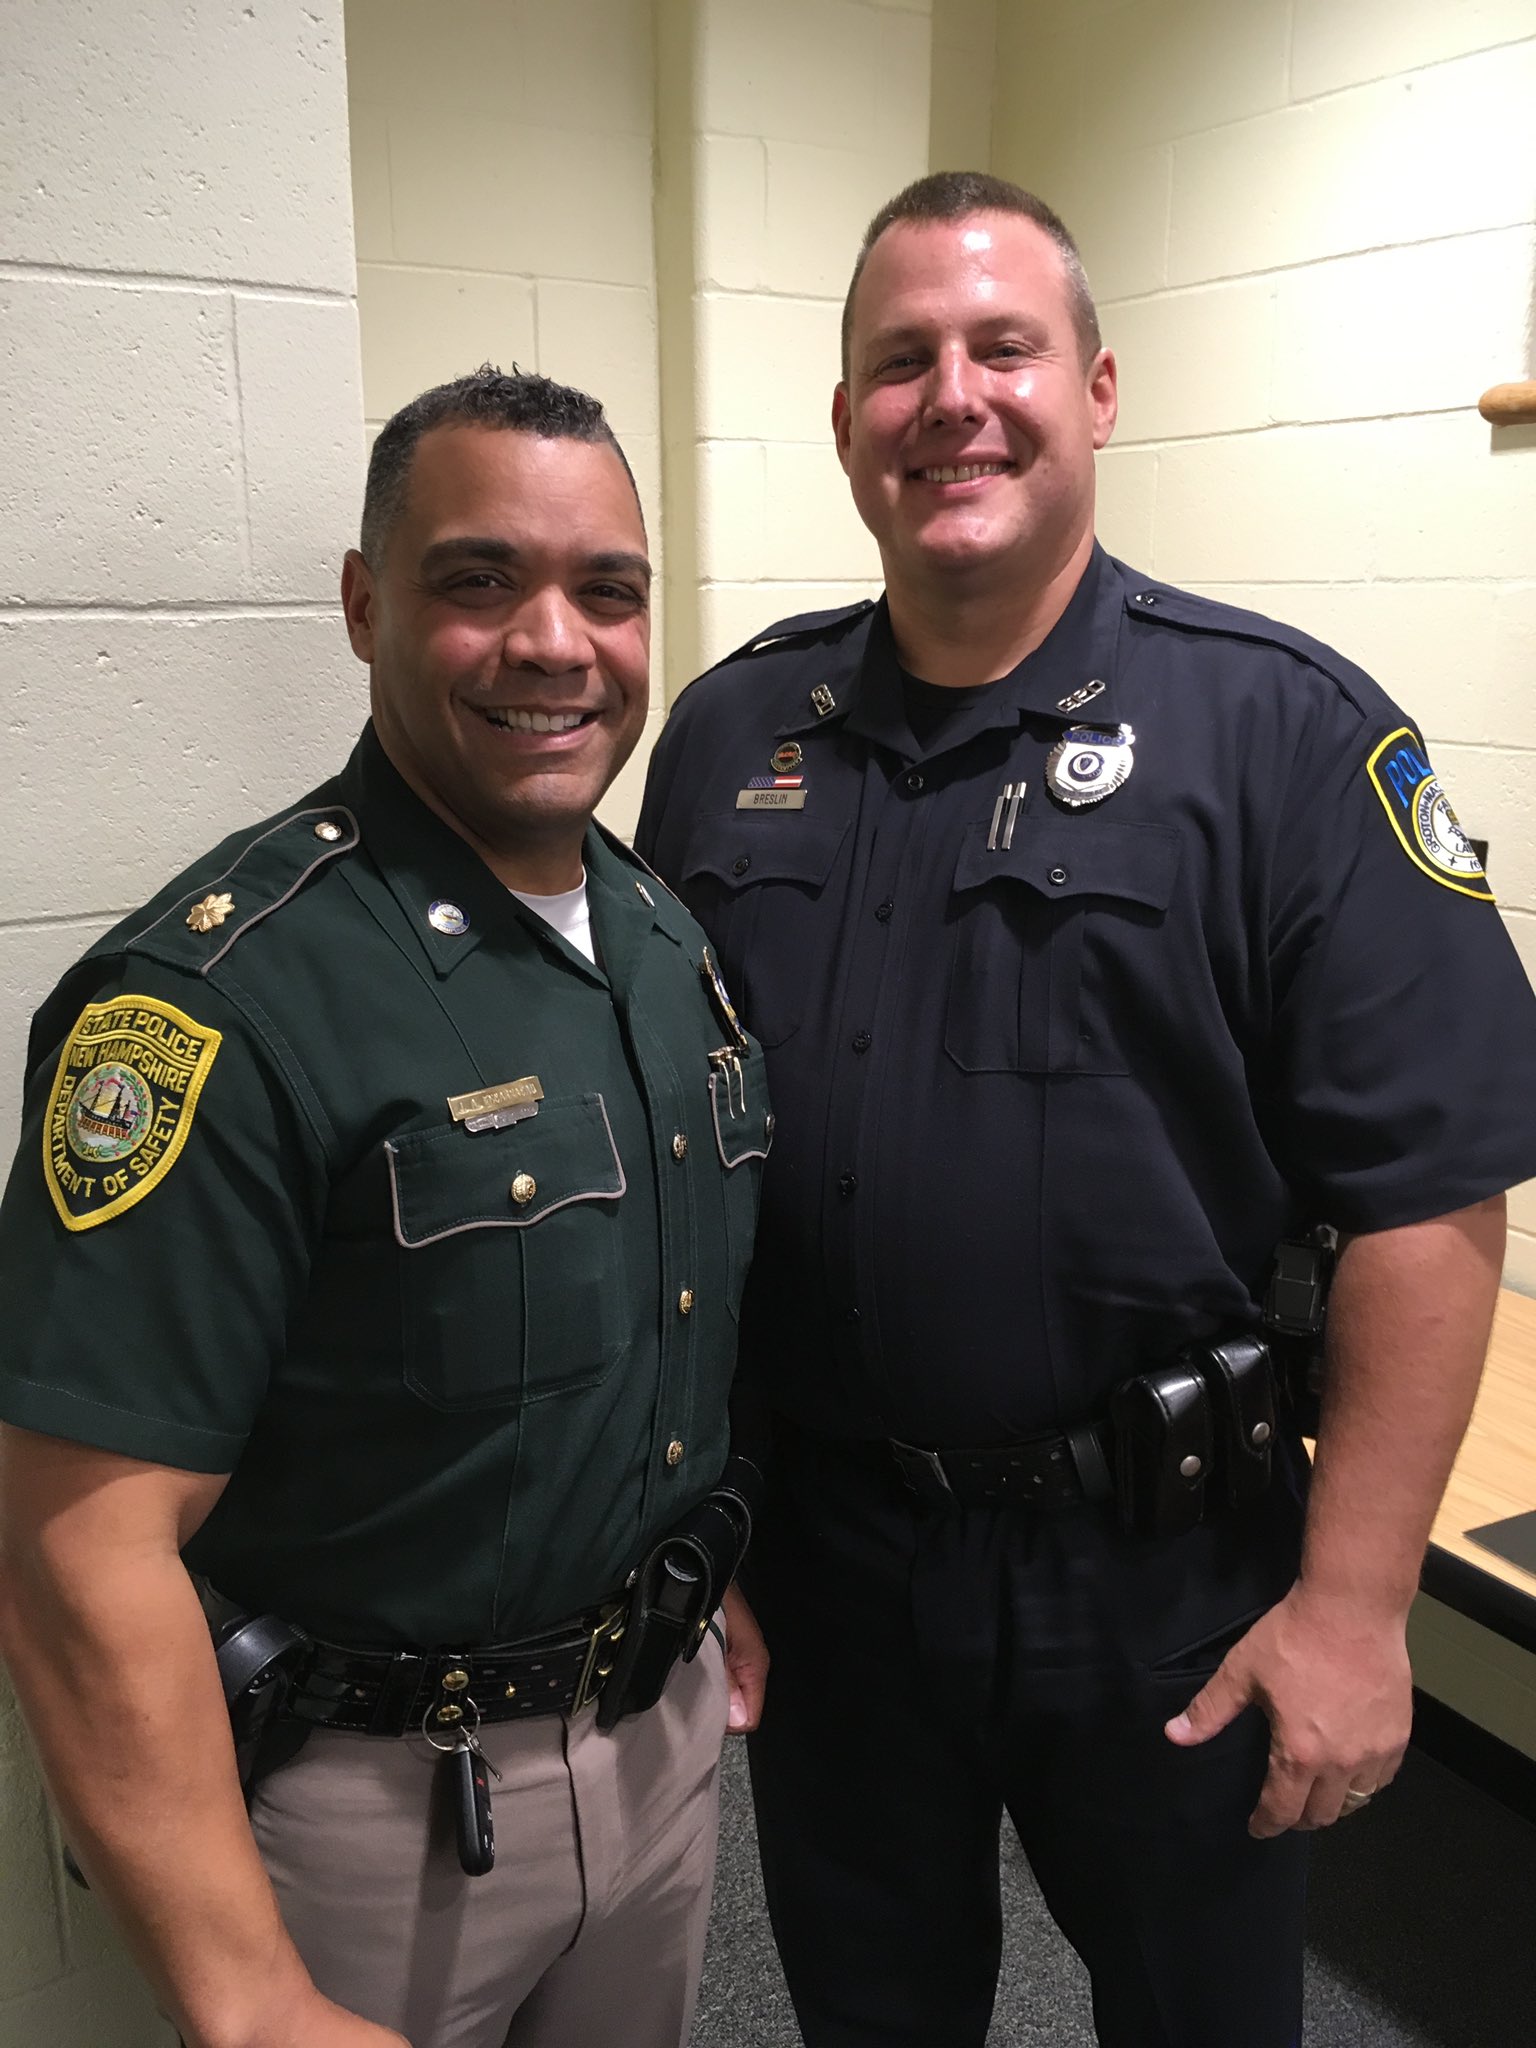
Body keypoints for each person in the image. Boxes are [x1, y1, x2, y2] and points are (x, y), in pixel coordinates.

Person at [635, 172, 1536, 2048]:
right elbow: (678, 1163)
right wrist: (704, 1522)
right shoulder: (730, 740)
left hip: (1164, 1574)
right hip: (831, 1557)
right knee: (871, 2014)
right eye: (903, 362)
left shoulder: (1284, 735)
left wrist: (1359, 1606)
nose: (953, 398)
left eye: (1004, 348)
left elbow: (1431, 1195)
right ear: (846, 421)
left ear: (1099, 391)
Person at [0, 368, 772, 2048]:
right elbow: (75, 1544)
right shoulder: (212, 1004)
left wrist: (692, 1562)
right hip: (375, 1814)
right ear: (366, 606)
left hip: (657, 1742)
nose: (555, 643)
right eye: (480, 580)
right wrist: (251, 1999)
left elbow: (661, 1326)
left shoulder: (661, 940)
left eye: (609, 591)